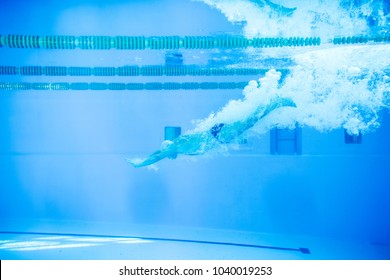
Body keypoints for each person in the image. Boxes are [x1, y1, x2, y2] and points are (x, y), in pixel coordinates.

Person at [127, 96, 296, 168]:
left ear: (167, 147)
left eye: (167, 153)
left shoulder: (175, 146)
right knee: (248, 121)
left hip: (218, 135)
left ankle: (276, 102)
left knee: (250, 122)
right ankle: (273, 102)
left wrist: (140, 164)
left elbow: (158, 155)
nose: (169, 157)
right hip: (216, 133)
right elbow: (160, 152)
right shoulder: (179, 145)